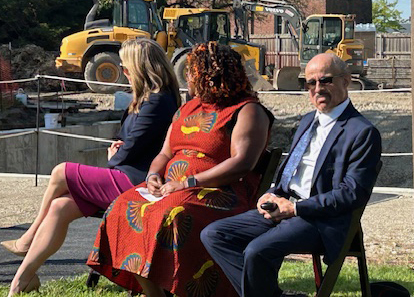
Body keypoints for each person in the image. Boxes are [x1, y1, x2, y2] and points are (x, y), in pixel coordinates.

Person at [87, 42, 274, 297]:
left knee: (173, 213)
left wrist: (188, 183)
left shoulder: (246, 110)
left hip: (219, 193)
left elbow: (242, 163)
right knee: (122, 206)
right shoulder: (189, 108)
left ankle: (180, 287)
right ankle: (155, 292)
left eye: (191, 71)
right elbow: (165, 153)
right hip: (172, 188)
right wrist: (153, 174)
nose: (186, 77)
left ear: (207, 74)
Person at [2, 38, 181, 296]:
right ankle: (22, 281)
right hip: (124, 175)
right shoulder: (144, 98)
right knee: (60, 207)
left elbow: (132, 149)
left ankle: (28, 238)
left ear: (140, 67)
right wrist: (118, 148)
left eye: (126, 65)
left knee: (60, 171)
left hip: (137, 182)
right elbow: (125, 139)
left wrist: (113, 157)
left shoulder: (158, 101)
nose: (123, 70)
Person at [200, 53, 382, 297]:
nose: (317, 89)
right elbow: (290, 171)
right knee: (214, 234)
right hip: (286, 209)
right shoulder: (308, 121)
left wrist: (297, 209)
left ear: (346, 81)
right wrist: (272, 194)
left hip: (321, 220)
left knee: (257, 251)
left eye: (325, 80)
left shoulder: (362, 132)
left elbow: (351, 194)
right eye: (310, 83)